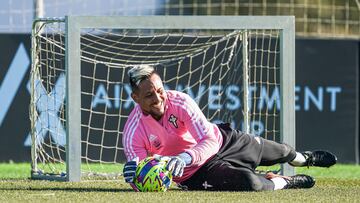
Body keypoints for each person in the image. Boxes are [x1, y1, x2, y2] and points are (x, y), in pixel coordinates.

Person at [122, 65, 337, 191]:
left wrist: (183, 157)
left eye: (160, 90)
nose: (158, 98)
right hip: (195, 174)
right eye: (149, 95)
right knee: (251, 183)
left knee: (282, 152)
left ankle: (304, 158)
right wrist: (134, 178)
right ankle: (284, 182)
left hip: (224, 141)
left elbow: (209, 141)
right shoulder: (132, 131)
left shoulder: (180, 102)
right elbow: (141, 175)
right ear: (135, 97)